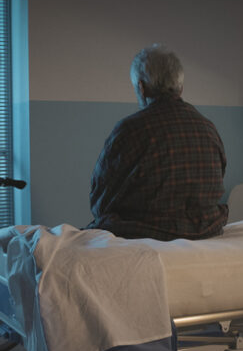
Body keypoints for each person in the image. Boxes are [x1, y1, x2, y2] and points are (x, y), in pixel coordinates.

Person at [87, 44, 228, 241]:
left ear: (141, 87)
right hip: (206, 229)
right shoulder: (208, 128)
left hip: (148, 231)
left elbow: (101, 201)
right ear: (180, 87)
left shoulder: (130, 130)